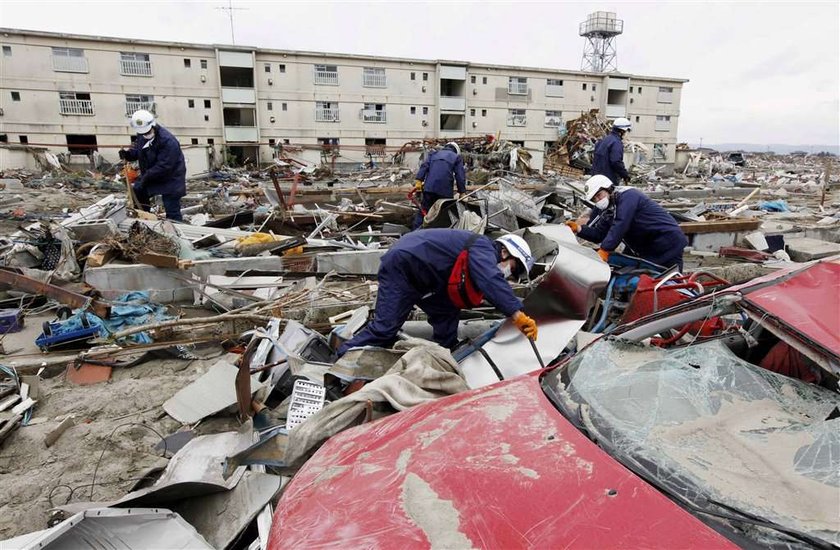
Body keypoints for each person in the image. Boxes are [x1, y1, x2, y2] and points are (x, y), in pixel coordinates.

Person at [337, 229, 538, 356]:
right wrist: (517, 314)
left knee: (447, 311)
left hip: (427, 279)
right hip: (404, 267)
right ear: (504, 252)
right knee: (385, 328)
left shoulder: (482, 252)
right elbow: (490, 280)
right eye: (514, 269)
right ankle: (339, 358)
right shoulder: (484, 248)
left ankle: (446, 352)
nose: (510, 275)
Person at [566, 175, 688, 270]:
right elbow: (599, 233)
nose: (598, 200)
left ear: (608, 188)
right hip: (647, 246)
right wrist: (579, 229)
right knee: (637, 273)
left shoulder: (628, 196)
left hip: (667, 241)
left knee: (672, 281)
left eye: (599, 195)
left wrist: (605, 249)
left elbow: (621, 223)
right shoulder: (608, 208)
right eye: (594, 199)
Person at [119, 109, 187, 221]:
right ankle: (145, 219)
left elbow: (164, 166)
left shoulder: (168, 141)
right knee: (138, 191)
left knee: (171, 208)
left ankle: (176, 229)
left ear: (153, 125)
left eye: (146, 132)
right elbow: (138, 149)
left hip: (171, 178)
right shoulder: (142, 135)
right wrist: (128, 155)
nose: (145, 135)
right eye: (142, 133)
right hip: (152, 175)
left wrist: (145, 177)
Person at [413, 142, 466, 229]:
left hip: (429, 189)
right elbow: (460, 175)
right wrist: (462, 192)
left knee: (424, 211)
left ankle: (414, 233)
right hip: (444, 192)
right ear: (456, 150)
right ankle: (438, 236)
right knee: (443, 215)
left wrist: (419, 180)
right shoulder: (456, 157)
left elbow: (424, 166)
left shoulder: (434, 154)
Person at [591, 117, 632, 185]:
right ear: (622, 131)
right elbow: (616, 161)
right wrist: (625, 175)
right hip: (608, 180)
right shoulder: (616, 142)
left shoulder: (603, 140)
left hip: (596, 178)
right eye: (627, 131)